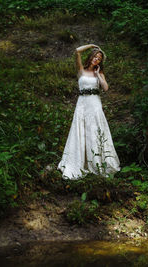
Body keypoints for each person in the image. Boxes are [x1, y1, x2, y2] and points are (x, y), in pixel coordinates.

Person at [58, 44, 121, 179]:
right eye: (95, 57)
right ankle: (81, 161)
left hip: (94, 103)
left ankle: (98, 162)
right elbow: (77, 51)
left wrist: (98, 75)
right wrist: (92, 46)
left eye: (99, 59)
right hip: (82, 103)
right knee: (80, 129)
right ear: (91, 57)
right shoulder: (81, 70)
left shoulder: (100, 73)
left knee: (95, 129)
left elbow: (105, 88)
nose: (96, 60)